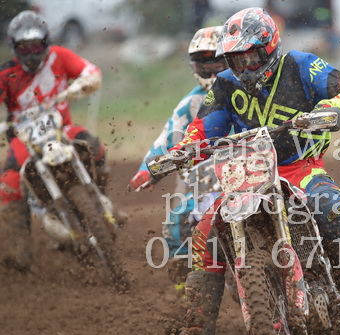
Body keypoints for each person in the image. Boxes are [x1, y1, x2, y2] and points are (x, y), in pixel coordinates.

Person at [158, 7, 340, 335]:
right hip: (246, 171)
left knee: (329, 206)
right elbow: (205, 126)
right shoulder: (225, 84)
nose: (244, 67)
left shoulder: (301, 65)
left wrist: (333, 110)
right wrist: (183, 149)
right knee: (204, 233)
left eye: (250, 57)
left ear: (269, 47)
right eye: (236, 60)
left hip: (300, 167)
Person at [0, 10, 104, 272]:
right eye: (25, 46)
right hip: (24, 138)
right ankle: (19, 252)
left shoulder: (60, 56)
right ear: (14, 47)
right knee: (9, 182)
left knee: (95, 148)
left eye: (36, 45)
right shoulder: (6, 73)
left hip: (62, 128)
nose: (31, 52)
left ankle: (102, 204)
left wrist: (81, 86)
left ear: (46, 42)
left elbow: (91, 71)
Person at [128, 26, 228, 293]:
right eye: (204, 64)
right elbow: (168, 138)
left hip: (254, 171)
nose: (211, 70)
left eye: (216, 62)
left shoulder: (249, 89)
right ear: (195, 67)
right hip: (208, 181)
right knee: (177, 221)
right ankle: (188, 291)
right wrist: (148, 168)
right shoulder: (191, 103)